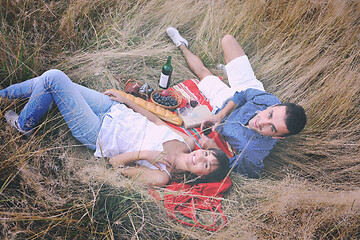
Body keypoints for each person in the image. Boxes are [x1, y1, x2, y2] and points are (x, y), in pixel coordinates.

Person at [0, 69, 230, 187]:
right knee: (52, 81)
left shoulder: (162, 176)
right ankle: (3, 96)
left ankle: (22, 125)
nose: (200, 158)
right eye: (206, 155)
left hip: (98, 132)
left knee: (54, 79)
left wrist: (149, 155)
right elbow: (157, 121)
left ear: (200, 176)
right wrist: (127, 99)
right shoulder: (187, 142)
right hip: (112, 110)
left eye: (206, 165)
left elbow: (115, 165)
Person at [166, 27, 307, 178]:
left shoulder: (252, 152)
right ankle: (229, 71)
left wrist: (215, 149)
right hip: (246, 89)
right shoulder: (269, 100)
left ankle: (181, 44)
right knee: (228, 40)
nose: (262, 121)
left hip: (222, 100)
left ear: (278, 137)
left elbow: (239, 171)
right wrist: (220, 115)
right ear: (272, 106)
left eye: (272, 128)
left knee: (203, 73)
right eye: (270, 114)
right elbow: (243, 94)